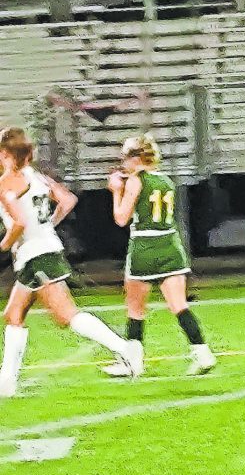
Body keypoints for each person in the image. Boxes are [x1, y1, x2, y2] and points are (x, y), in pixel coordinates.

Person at [0, 127, 141, 397]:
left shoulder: (7, 181)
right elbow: (67, 200)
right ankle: (7, 381)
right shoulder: (36, 176)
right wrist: (47, 227)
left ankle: (125, 349)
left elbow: (18, 223)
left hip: (36, 256)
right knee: (14, 314)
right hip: (42, 251)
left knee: (66, 315)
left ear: (6, 154)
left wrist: (5, 245)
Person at [102, 134, 216, 377]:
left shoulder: (136, 180)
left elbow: (121, 218)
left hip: (145, 246)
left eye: (125, 157)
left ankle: (133, 363)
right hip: (170, 245)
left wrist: (115, 191)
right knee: (179, 306)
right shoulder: (165, 180)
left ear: (136, 157)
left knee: (135, 309)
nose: (123, 162)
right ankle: (203, 353)